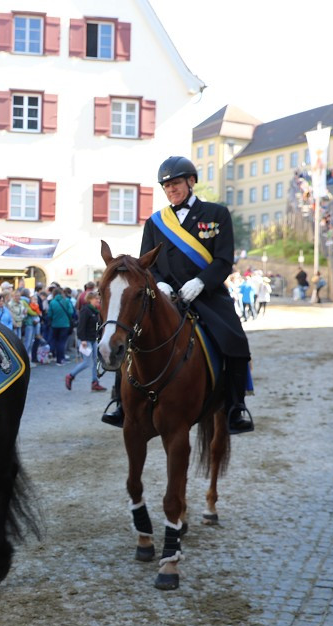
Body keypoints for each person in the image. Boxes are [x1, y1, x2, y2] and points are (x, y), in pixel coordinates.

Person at [103, 155, 254, 434]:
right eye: (166, 186)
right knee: (131, 333)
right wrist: (159, 284)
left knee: (235, 340)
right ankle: (120, 403)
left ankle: (235, 407)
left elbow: (223, 260)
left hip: (206, 295)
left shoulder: (217, 214)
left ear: (191, 181)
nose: (171, 190)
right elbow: (145, 262)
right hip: (164, 295)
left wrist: (200, 282)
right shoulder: (156, 222)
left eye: (175, 184)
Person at [66, 290, 106, 392]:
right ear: (90, 300)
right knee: (87, 362)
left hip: (93, 339)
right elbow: (81, 326)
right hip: (86, 340)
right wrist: (83, 339)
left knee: (96, 361)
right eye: (96, 299)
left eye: (98, 298)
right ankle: (70, 376)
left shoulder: (95, 311)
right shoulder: (86, 310)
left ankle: (95, 382)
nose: (98, 300)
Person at [47, 283, 75, 364]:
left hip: (54, 324)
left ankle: (54, 356)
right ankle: (60, 359)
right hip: (65, 324)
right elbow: (71, 312)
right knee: (62, 342)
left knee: (54, 340)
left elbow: (50, 314)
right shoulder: (66, 301)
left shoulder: (52, 302)